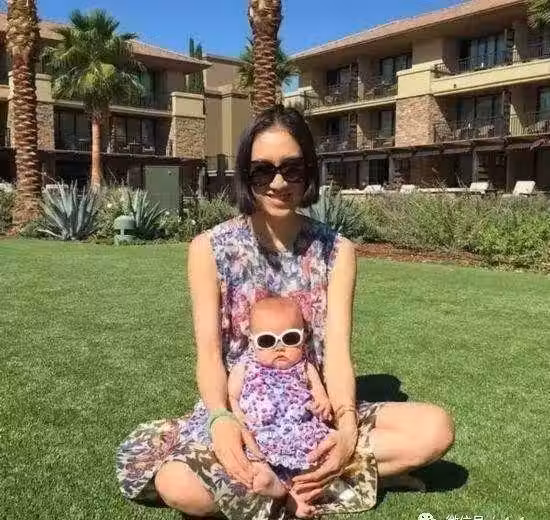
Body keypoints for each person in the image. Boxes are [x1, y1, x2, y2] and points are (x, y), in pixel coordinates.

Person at [116, 105, 455, 519]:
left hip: (311, 414)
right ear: (246, 175)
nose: (278, 183)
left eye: (292, 169)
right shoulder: (209, 249)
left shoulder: (337, 251)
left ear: (309, 170)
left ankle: (289, 485)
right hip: (243, 412)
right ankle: (325, 483)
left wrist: (346, 427)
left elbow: (338, 355)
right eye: (263, 171)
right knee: (177, 485)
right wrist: (220, 418)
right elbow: (208, 354)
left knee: (435, 429)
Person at [227, 296, 336, 518]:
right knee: (254, 460)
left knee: (316, 461)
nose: (280, 347)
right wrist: (238, 415)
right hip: (260, 431)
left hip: (299, 431)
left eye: (290, 338)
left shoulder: (304, 366)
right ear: (252, 341)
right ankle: (276, 487)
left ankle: (296, 495)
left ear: (303, 338)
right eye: (267, 341)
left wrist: (322, 402)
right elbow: (232, 396)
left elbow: (318, 390)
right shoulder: (246, 365)